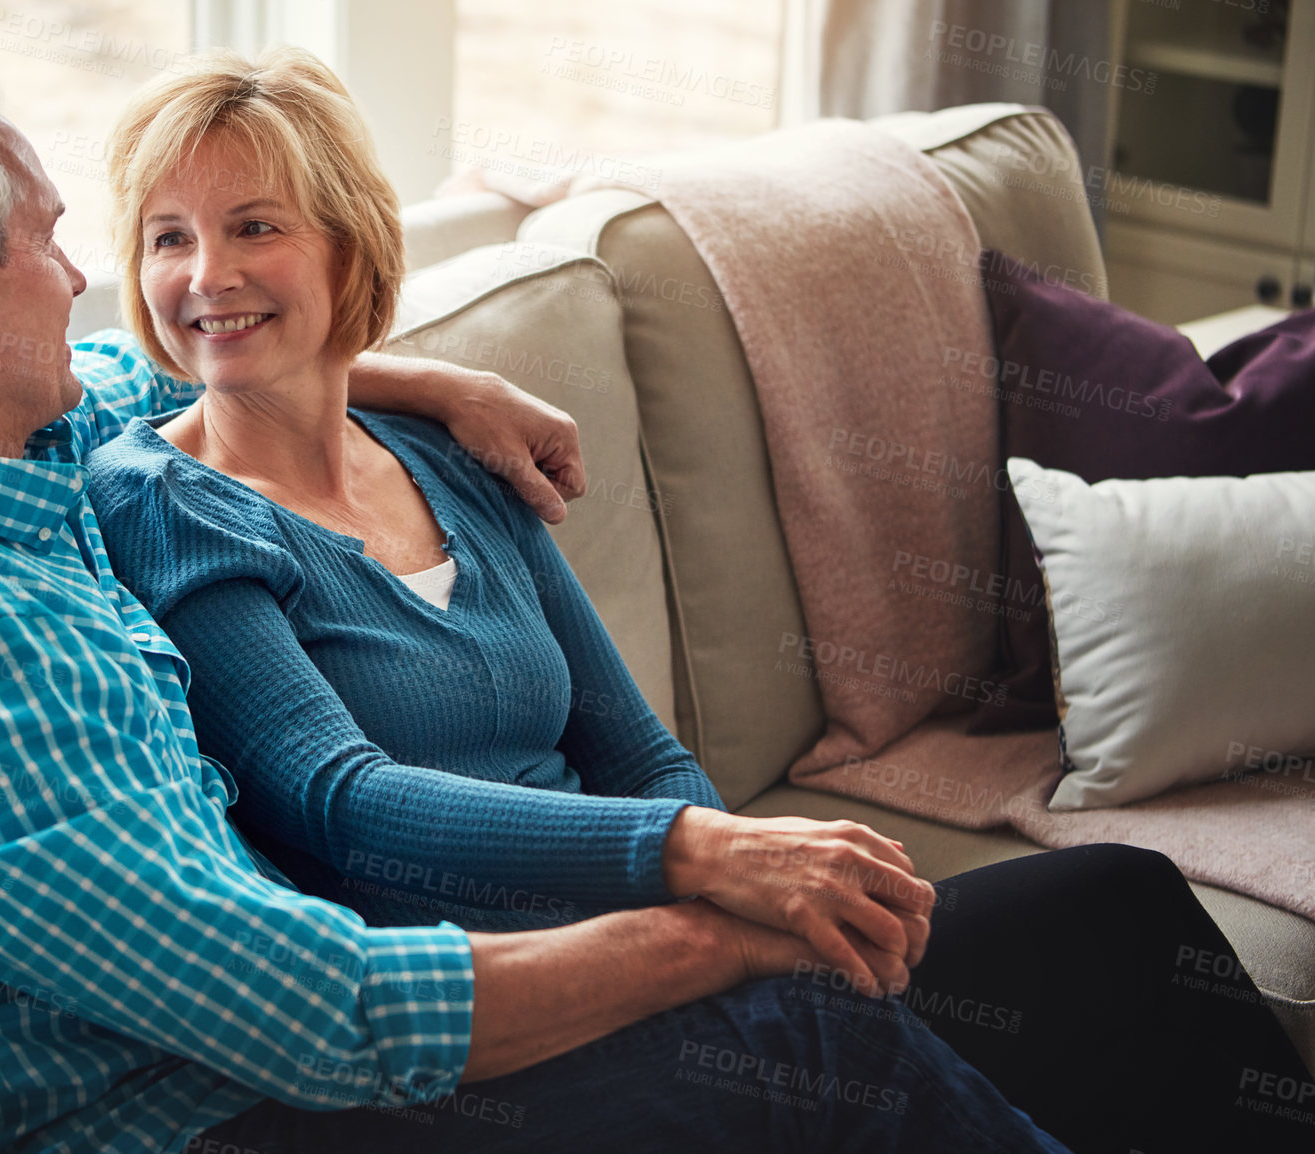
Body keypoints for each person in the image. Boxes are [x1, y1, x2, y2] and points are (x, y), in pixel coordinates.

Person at [0, 62, 1074, 1154]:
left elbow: (139, 367)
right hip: (215, 1115)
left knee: (1092, 919)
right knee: (825, 1028)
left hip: (300, 1048)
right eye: (57, 243)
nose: (79, 277)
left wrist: (430, 385)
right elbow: (333, 1011)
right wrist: (714, 920)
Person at [86, 48, 1315, 1154]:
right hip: (492, 1021)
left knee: (1110, 904)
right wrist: (709, 859)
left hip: (657, 925)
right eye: (166, 238)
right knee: (831, 1033)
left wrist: (749, 875)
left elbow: (633, 745)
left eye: (255, 226)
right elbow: (339, 798)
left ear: (347, 244)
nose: (207, 276)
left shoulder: (454, 452)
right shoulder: (165, 498)